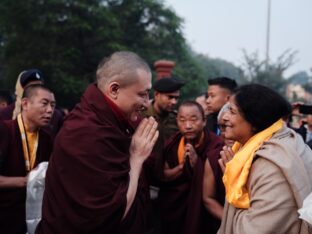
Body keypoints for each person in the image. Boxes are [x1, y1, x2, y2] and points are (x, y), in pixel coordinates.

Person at [36, 51, 159, 234]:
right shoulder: (84, 133)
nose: (147, 103)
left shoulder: (116, 123)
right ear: (114, 90)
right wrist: (136, 157)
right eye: (142, 94)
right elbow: (108, 216)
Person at [218, 84, 312, 233]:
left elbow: (255, 229)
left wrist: (235, 181)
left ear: (254, 121)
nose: (224, 117)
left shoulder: (274, 166)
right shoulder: (254, 147)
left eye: (232, 111)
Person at [159, 100, 224, 234]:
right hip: (176, 207)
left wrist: (198, 164)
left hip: (203, 211)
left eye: (193, 120)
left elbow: (219, 186)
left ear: (204, 121)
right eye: (182, 120)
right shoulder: (172, 144)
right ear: (177, 121)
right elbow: (163, 175)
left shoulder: (217, 145)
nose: (187, 125)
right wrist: (182, 167)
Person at [0, 84, 55, 234]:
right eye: (44, 104)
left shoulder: (47, 138)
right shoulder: (4, 131)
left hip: (33, 218)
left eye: (52, 105)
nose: (50, 110)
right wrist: (25, 181)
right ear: (25, 103)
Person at [0, 69, 63, 138]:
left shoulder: (55, 116)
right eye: (32, 87)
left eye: (39, 86)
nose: (36, 91)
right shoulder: (5, 114)